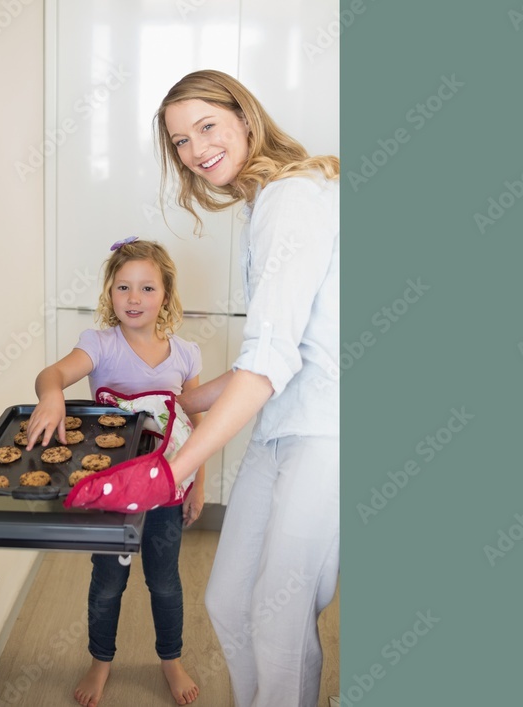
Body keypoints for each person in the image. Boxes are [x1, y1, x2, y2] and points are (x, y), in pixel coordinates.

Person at [154, 69, 339, 707]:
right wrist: (181, 398)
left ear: (245, 115)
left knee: (278, 619)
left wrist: (175, 467)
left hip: (328, 433)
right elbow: (280, 352)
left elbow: (269, 360)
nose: (196, 149)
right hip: (281, 423)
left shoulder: (291, 197)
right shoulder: (266, 201)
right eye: (179, 141)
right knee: (229, 602)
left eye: (206, 125)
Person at [25, 239, 204, 707]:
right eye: (123, 287)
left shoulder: (186, 355)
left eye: (147, 287)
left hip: (167, 493)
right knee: (108, 583)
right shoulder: (99, 345)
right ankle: (100, 661)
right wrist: (51, 395)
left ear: (166, 294)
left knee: (164, 581)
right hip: (112, 498)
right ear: (109, 292)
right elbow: (52, 375)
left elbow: (198, 428)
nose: (134, 298)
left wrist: (198, 485)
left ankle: (170, 659)